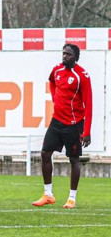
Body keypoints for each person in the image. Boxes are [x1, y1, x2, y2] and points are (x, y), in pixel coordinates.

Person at [33, 43, 92, 209]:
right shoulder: (57, 70)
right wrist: (55, 98)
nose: (64, 56)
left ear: (75, 57)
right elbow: (51, 82)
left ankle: (72, 198)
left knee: (73, 159)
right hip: (56, 120)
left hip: (73, 124)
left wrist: (86, 131)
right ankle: (48, 194)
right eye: (63, 53)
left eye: (68, 54)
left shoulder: (82, 76)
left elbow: (89, 104)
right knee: (45, 153)